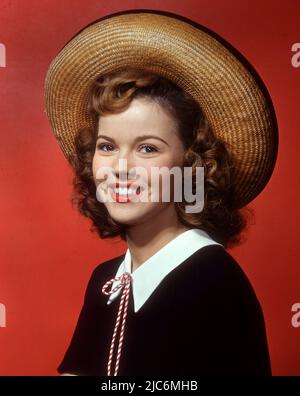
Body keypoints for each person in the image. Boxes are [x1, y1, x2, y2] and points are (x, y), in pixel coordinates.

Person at [44, 10, 278, 376]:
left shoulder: (214, 283)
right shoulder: (108, 280)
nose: (120, 167)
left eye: (147, 148)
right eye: (107, 147)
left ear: (191, 165)